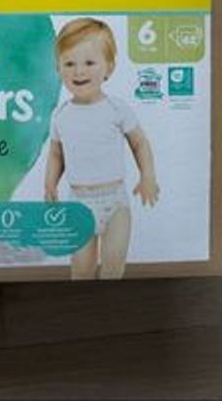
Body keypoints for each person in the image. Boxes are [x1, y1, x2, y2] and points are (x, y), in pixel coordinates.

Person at [45, 18, 159, 280]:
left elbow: (139, 143)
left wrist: (148, 176)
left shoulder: (116, 109)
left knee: (113, 268)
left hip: (115, 201)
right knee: (81, 270)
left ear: (109, 67)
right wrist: (50, 185)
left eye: (89, 62)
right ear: (58, 68)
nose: (79, 71)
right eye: (69, 64)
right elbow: (56, 153)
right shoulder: (60, 115)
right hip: (79, 203)